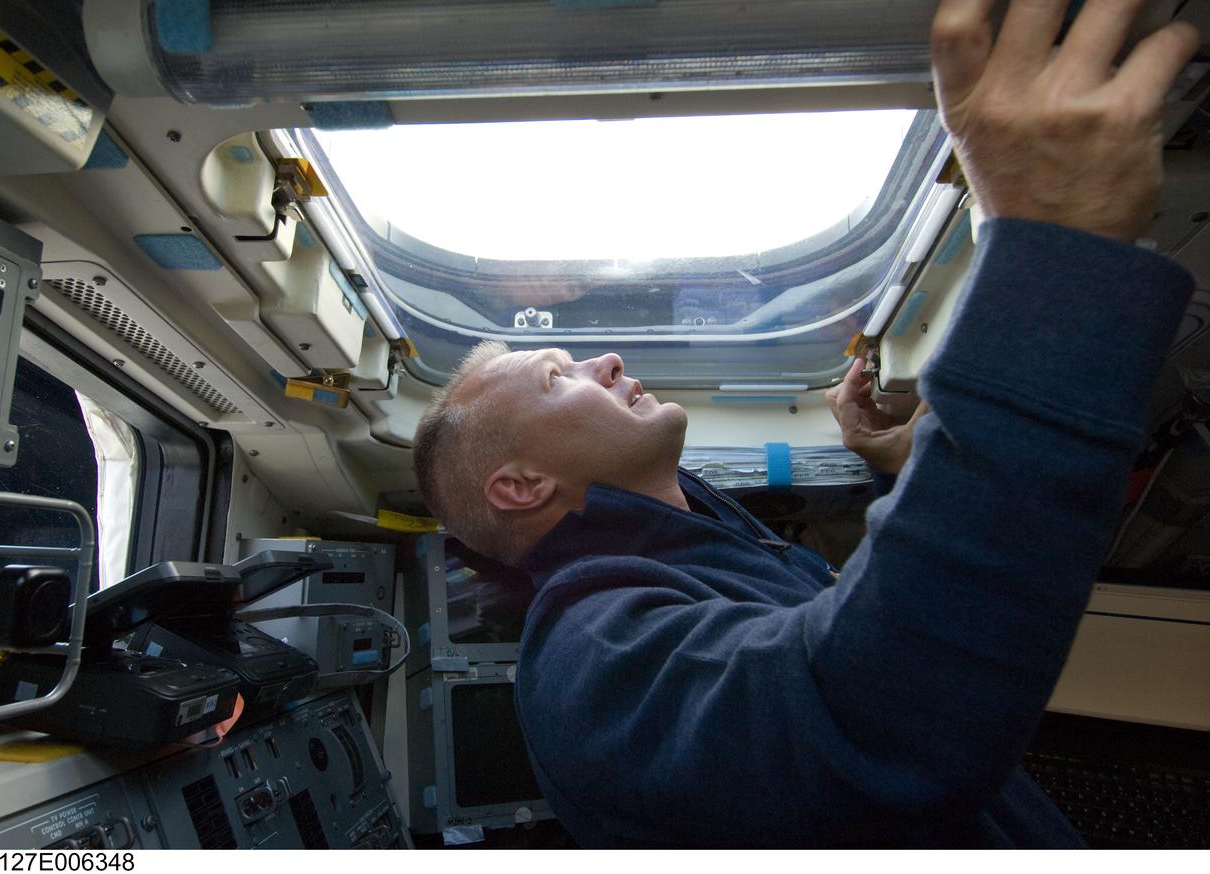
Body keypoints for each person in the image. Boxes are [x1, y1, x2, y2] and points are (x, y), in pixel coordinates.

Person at [411, 0, 1201, 847]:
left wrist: (902, 461)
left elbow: (863, 645)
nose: (601, 360)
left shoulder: (708, 561)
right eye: (556, 375)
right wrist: (1056, 257)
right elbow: (873, 725)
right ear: (521, 485)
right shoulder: (589, 655)